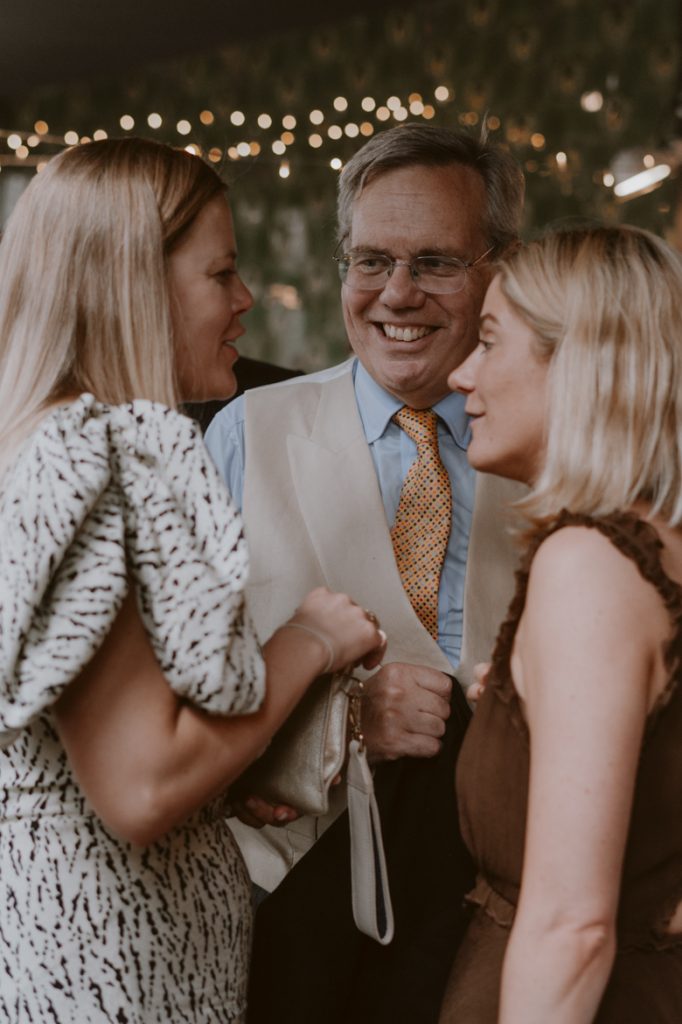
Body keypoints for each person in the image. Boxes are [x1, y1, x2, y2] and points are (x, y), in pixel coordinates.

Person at [0, 137, 385, 1023]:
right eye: (220, 274)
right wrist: (309, 641)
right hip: (105, 972)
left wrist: (229, 775)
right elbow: (139, 787)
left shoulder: (53, 446)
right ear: (133, 283)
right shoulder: (96, 459)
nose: (245, 299)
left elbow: (97, 741)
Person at [205, 123, 526, 1023]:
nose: (397, 293)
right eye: (372, 260)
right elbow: (177, 710)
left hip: (505, 917)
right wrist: (342, 725)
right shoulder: (247, 434)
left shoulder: (561, 449)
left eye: (436, 263)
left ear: (500, 269)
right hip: (291, 916)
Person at [439, 224, 682, 1023]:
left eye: (488, 341)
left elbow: (572, 929)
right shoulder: (653, 551)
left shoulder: (589, 565)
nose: (461, 373)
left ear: (578, 364)